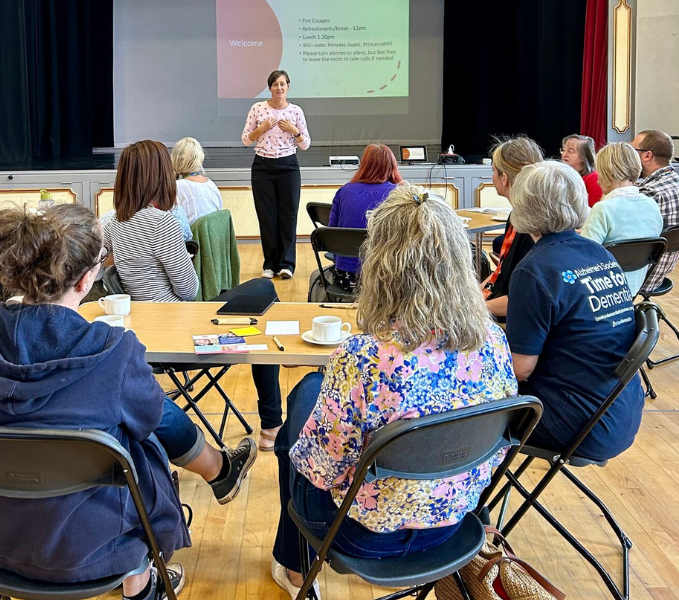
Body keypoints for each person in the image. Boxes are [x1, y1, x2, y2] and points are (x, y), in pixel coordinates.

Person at [0, 203, 258, 598]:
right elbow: (150, 419)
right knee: (137, 443)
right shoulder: (113, 349)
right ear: (87, 279)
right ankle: (142, 584)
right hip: (95, 546)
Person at [272, 184, 518, 599]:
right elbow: (499, 447)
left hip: (364, 538)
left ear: (379, 265)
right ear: (460, 262)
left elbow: (319, 471)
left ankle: (297, 572)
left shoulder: (365, 357)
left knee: (298, 414)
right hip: (455, 525)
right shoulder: (493, 341)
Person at [104, 140, 284, 451]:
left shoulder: (113, 222)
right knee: (264, 290)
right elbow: (189, 290)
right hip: (181, 329)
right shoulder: (162, 224)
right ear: (161, 175)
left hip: (147, 329)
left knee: (252, 298)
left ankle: (272, 420)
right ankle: (271, 423)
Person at [506, 161, 643, 461]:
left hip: (574, 423)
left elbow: (520, 369)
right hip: (620, 413)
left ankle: (468, 504)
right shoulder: (599, 252)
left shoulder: (534, 270)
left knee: (465, 406)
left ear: (523, 208)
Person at [242, 70, 311, 279]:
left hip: (288, 167)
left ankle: (287, 264)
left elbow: (306, 144)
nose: (279, 88)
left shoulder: (296, 111)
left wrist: (294, 130)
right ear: (269, 88)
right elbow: (246, 139)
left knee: (288, 215)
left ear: (288, 86)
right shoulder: (258, 109)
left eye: (282, 84)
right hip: (262, 167)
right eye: (275, 84)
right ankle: (270, 265)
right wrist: (261, 128)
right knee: (267, 216)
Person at [581, 142, 663, 296]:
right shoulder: (652, 205)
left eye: (600, 174)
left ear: (610, 174)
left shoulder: (603, 209)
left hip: (604, 290)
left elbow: (584, 257)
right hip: (635, 287)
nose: (598, 181)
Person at [481, 136, 544, 318]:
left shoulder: (532, 226)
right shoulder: (518, 215)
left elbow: (522, 301)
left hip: (514, 320)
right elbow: (499, 275)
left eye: (493, 171)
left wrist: (471, 309)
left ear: (504, 178)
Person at [327, 143, 402, 291]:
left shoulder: (344, 191)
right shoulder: (398, 194)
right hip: (386, 282)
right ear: (391, 165)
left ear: (364, 164)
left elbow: (332, 234)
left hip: (346, 278)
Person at [631, 129, 679, 294]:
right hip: (661, 272)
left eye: (633, 151)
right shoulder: (676, 182)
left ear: (647, 155)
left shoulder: (650, 193)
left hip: (641, 275)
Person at [171, 136, 223, 227]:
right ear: (200, 159)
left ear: (175, 160)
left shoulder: (177, 187)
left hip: (191, 239)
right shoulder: (211, 185)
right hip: (213, 239)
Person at [561, 134, 602, 206]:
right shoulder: (560, 174)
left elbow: (594, 208)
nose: (564, 154)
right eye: (563, 150)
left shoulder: (594, 179)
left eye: (570, 151)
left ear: (584, 156)